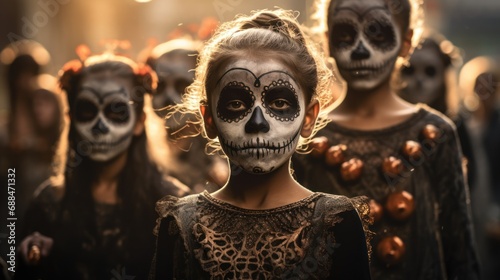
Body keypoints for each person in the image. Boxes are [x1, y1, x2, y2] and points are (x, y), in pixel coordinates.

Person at [150, 9, 372, 280]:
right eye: (236, 103)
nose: (258, 122)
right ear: (209, 119)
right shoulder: (180, 224)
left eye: (279, 103)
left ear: (309, 117)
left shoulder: (336, 222)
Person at [293, 0, 480, 279]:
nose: (359, 49)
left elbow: (460, 252)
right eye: (346, 34)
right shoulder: (307, 136)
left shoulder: (435, 133)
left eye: (378, 33)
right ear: (327, 41)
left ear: (406, 42)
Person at [15, 50, 189, 280]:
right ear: (71, 118)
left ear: (139, 121)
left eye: (115, 111)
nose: (100, 127)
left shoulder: (174, 207)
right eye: (87, 111)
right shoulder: (48, 204)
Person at [145, 38, 228, 192]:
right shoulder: (142, 153)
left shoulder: (223, 153)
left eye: (182, 86)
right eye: (160, 86)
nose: (169, 100)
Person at [398, 31, 476, 189]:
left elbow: (468, 180)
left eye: (430, 71)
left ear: (443, 77)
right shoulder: (385, 120)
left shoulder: (454, 124)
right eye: (409, 69)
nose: (419, 80)